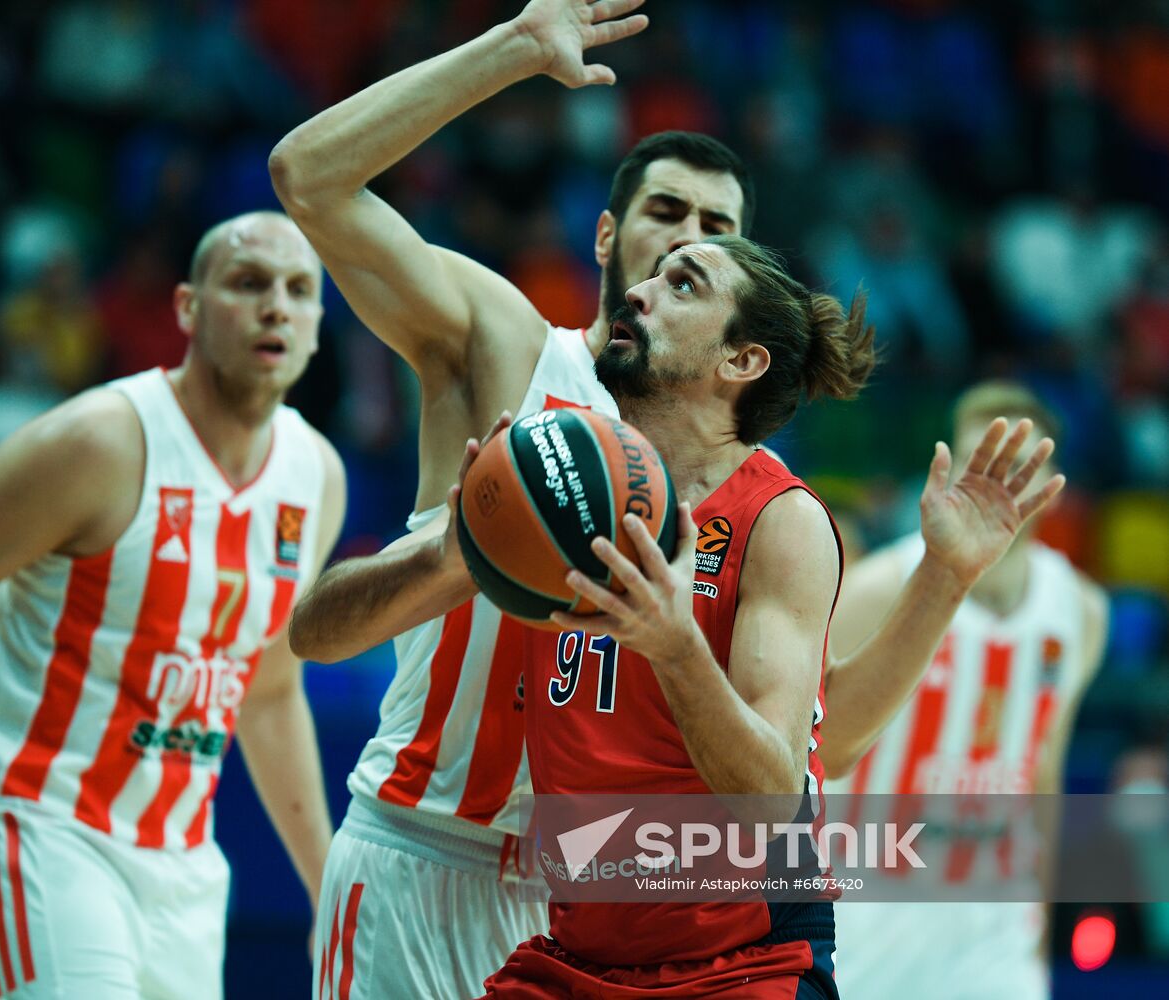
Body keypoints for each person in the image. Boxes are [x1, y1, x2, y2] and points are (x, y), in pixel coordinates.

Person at [272, 1, 1060, 996]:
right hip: (428, 847)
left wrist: (940, 578)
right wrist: (509, 52)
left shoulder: (754, 501)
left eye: (712, 235)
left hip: (586, 899)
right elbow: (308, 176)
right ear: (607, 234)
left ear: (742, 330)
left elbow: (798, 752)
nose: (677, 244)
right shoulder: (515, 356)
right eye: (664, 216)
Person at [0, 211, 346, 998]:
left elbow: (268, 695)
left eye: (298, 290)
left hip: (181, 862)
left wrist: (326, 887)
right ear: (186, 308)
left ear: (315, 326)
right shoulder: (98, 443)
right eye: (247, 283)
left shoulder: (316, 476)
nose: (275, 305)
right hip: (34, 823)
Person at [824, 381, 1108, 1000]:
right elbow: (802, 756)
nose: (1000, 476)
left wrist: (1041, 922)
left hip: (995, 923)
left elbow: (1044, 776)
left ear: (1052, 478)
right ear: (949, 465)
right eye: (985, 455)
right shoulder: (877, 589)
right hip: (870, 907)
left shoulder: (1081, 610)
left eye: (1019, 456)